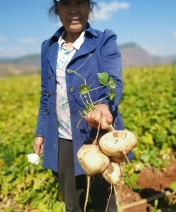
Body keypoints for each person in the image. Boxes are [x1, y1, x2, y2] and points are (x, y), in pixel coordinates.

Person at [33, 0, 132, 211]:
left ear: (89, 7)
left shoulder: (103, 40)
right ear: (57, 8)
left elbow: (113, 79)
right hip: (62, 138)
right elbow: (46, 93)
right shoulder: (48, 47)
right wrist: (41, 131)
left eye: (80, 2)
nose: (73, 10)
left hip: (95, 137)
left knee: (104, 201)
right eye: (66, 3)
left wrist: (105, 105)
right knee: (72, 203)